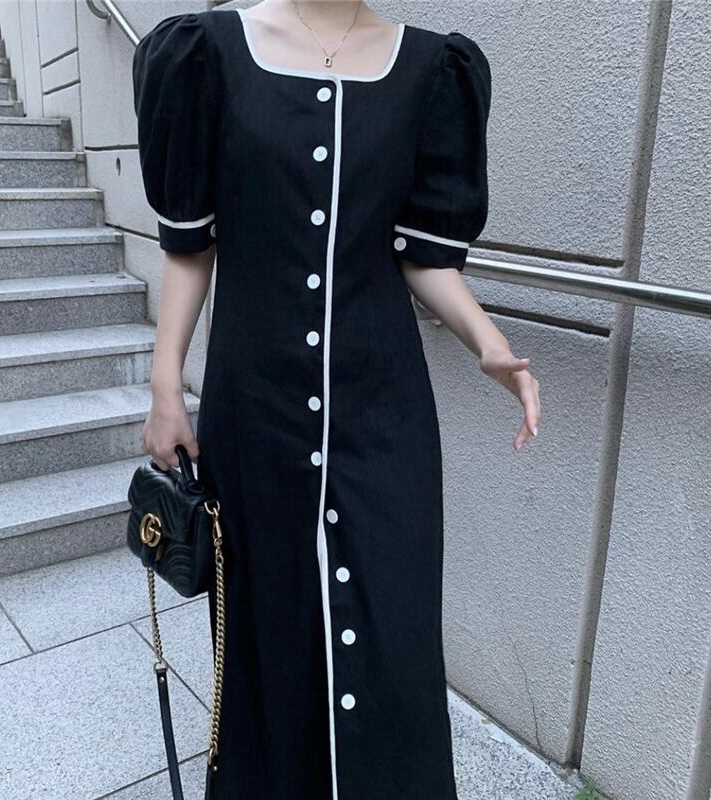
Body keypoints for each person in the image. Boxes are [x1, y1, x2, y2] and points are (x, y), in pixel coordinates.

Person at [131, 1, 541, 798]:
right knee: (268, 635)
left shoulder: (430, 69)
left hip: (384, 414)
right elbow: (190, 246)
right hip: (255, 411)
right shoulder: (209, 54)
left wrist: (489, 345)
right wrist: (165, 384)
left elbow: (424, 258)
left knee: (396, 638)